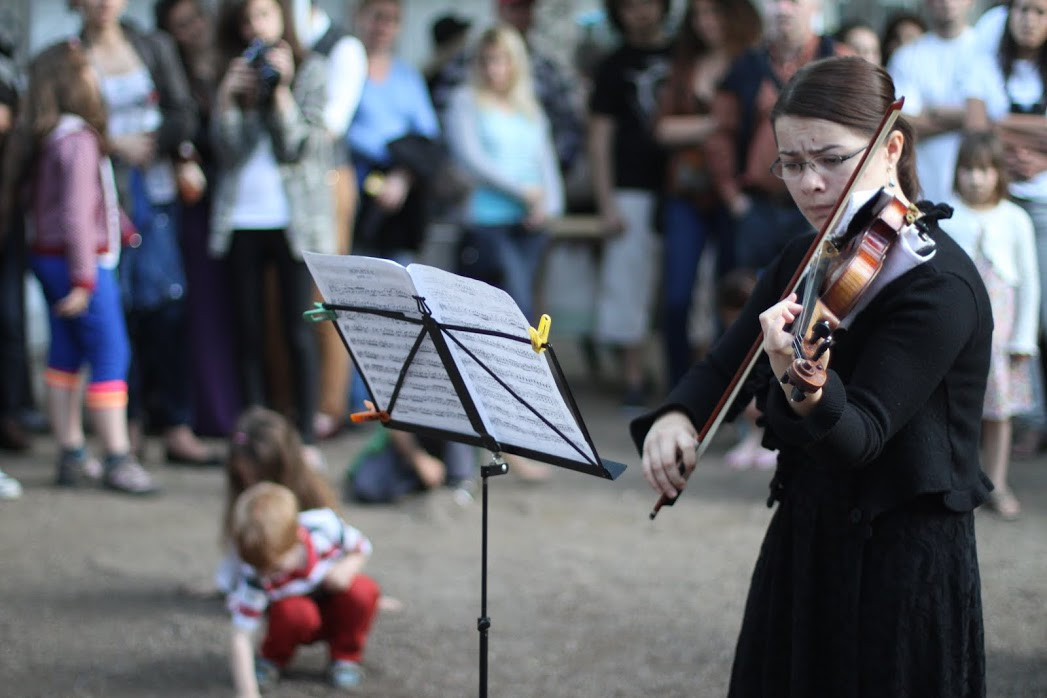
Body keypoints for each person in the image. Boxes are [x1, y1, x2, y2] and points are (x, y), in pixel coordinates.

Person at [634, 56, 991, 696]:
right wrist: (676, 415)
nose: (810, 183)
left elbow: (863, 436)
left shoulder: (938, 285)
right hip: (807, 535)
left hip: (899, 559)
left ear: (892, 147)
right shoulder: (809, 255)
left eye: (831, 158)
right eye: (792, 163)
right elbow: (724, 364)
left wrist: (802, 383)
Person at [1, 40, 156, 494]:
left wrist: (120, 227)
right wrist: (86, 278)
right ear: (72, 82)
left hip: (48, 259)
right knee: (111, 351)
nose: (96, 79)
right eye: (88, 71)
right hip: (78, 266)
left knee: (64, 352)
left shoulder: (51, 138)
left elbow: (81, 204)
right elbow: (74, 213)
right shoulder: (79, 139)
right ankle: (117, 455)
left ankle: (70, 451)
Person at [78, 0, 221, 465]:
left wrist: (154, 145)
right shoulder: (69, 54)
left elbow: (184, 113)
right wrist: (111, 144)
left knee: (168, 311)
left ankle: (176, 425)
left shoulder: (152, 47)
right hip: (102, 202)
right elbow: (58, 127)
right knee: (120, 316)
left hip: (156, 197)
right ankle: (129, 429)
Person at [211, 0, 335, 463]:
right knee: (248, 331)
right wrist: (228, 99)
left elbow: (299, 146)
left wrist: (281, 91)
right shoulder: (231, 71)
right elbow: (227, 151)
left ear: (283, 18)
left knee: (296, 330)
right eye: (247, 20)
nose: (255, 28)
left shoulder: (311, 70)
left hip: (292, 221)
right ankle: (254, 437)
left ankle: (304, 438)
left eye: (264, 16)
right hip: (241, 218)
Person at [654, 0, 761, 387]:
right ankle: (677, 387)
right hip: (688, 192)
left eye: (715, 13)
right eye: (698, 15)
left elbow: (756, 128)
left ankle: (724, 391)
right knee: (677, 295)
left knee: (731, 297)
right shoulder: (685, 66)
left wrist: (696, 128)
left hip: (737, 194)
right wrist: (714, 124)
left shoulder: (752, 63)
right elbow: (662, 130)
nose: (707, 22)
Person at [704, 0, 848, 273]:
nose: (782, 9)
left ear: (815, 6)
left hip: (824, 207)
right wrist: (733, 197)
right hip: (759, 207)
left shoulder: (840, 59)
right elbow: (720, 135)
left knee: (819, 299)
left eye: (793, 2)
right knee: (753, 301)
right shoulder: (745, 65)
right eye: (774, 2)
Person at [154, 0, 243, 439]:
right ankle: (212, 413)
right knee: (203, 311)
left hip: (232, 204)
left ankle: (235, 406)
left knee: (233, 312)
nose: (192, 30)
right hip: (194, 206)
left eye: (196, 19)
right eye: (180, 25)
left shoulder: (229, 63)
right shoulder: (175, 79)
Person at [964, 0, 1047, 457]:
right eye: (1022, 10)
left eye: (1038, 12)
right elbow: (977, 130)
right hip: (1003, 201)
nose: (1028, 20)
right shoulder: (987, 60)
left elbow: (990, 125)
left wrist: (1008, 128)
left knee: (1040, 310)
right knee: (1012, 316)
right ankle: (1029, 422)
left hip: (1044, 204)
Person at [943, 131, 1039, 521]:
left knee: (998, 412)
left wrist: (1024, 338)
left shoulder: (1014, 218)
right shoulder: (946, 214)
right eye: (968, 169)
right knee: (956, 409)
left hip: (1002, 337)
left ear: (998, 173)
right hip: (956, 334)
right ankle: (957, 481)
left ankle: (997, 483)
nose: (975, 179)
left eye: (984, 170)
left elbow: (1030, 282)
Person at [445, 24, 564, 323]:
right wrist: (523, 192)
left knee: (524, 307)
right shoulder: (465, 100)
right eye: (485, 60)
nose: (492, 68)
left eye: (499, 59)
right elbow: (472, 160)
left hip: (529, 224)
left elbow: (545, 162)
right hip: (487, 222)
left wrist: (548, 208)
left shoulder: (529, 107)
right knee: (512, 306)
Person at [588, 0, 673, 409]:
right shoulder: (613, 63)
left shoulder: (682, 54)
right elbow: (599, 136)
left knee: (680, 289)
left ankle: (680, 374)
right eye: (629, 6)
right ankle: (635, 379)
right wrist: (606, 199)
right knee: (628, 285)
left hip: (681, 190)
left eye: (646, 4)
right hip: (629, 188)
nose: (639, 12)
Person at [225, 481, 380, 694]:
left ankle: (345, 658)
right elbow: (241, 635)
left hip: (334, 604)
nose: (267, 576)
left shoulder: (324, 526)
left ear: (297, 537)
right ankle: (272, 659)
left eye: (275, 567)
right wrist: (247, 693)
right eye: (261, 569)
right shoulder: (257, 573)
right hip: (297, 620)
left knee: (363, 591)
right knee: (294, 612)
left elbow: (362, 546)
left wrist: (347, 568)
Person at [887, 0, 979, 205]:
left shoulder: (988, 50)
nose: (947, 2)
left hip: (980, 197)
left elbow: (1001, 118)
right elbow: (903, 125)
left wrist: (935, 112)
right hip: (925, 195)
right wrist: (973, 117)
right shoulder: (907, 56)